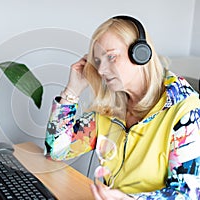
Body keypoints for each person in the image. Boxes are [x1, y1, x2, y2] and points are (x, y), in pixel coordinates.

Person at [44, 15, 200, 199]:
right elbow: (57, 150)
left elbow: (188, 194)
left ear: (141, 54)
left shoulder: (185, 110)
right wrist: (72, 91)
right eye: (98, 61)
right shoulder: (110, 107)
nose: (101, 70)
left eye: (111, 57)